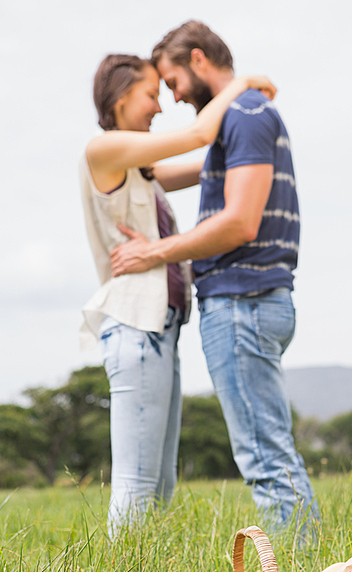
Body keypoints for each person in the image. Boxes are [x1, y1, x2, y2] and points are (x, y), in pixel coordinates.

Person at [110, 21, 320, 536]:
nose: (173, 97)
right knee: (270, 452)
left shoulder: (245, 114)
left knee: (266, 460)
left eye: (173, 81)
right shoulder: (240, 118)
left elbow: (240, 222)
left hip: (242, 302)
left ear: (198, 60)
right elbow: (161, 171)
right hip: (253, 300)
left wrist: (153, 252)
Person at [80, 52, 276, 536]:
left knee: (160, 483)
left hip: (160, 331)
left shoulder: (139, 172)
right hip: (135, 327)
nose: (160, 106)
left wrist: (250, 148)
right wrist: (242, 82)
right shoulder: (102, 150)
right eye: (151, 94)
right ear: (122, 96)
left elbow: (204, 163)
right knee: (136, 481)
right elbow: (197, 136)